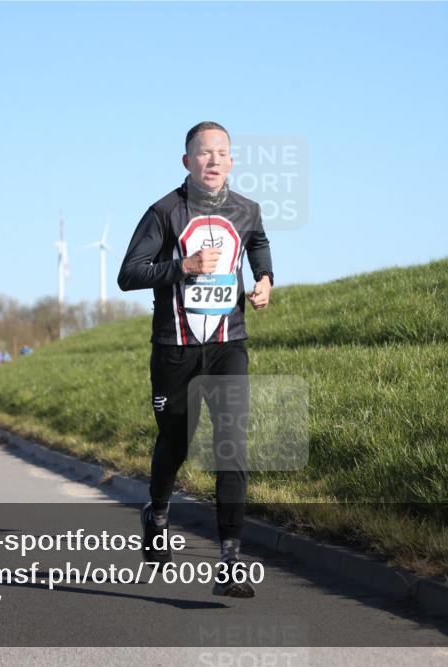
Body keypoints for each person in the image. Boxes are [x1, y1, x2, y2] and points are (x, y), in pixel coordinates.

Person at [117, 122, 273, 598]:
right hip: (175, 348)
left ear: (231, 160)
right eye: (204, 153)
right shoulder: (163, 212)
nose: (213, 160)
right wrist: (181, 267)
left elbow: (258, 244)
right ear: (187, 161)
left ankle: (229, 564)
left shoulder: (247, 210)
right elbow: (128, 274)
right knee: (176, 442)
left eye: (221, 153)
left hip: (229, 344)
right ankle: (157, 513)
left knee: (232, 445)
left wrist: (264, 278)